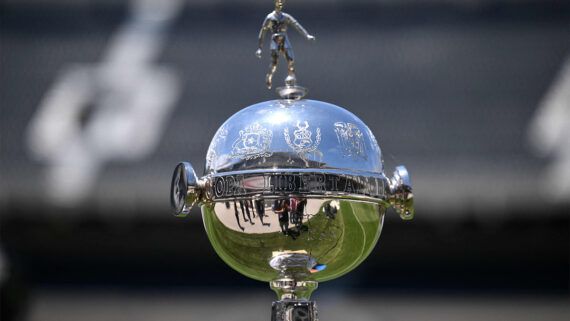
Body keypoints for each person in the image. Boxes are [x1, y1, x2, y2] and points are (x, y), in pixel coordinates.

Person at [255, 0, 315, 89]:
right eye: (279, 2)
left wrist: (307, 35)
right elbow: (263, 31)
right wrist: (259, 48)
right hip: (275, 40)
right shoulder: (270, 17)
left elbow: (297, 25)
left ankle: (292, 79)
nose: (280, 4)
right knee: (274, 64)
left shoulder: (285, 17)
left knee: (291, 59)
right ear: (275, 3)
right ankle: (269, 76)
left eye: (282, 3)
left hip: (284, 39)